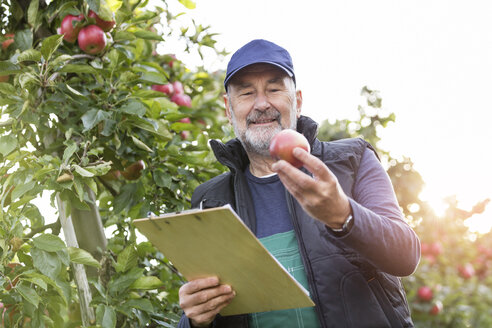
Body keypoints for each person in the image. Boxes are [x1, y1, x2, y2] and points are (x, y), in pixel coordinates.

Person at [177, 39, 420, 328]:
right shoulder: (211, 199)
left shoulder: (351, 161)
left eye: (274, 89)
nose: (262, 103)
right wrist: (193, 321)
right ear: (229, 109)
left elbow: (405, 256)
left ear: (298, 101)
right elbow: (209, 305)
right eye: (246, 93)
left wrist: (344, 215)